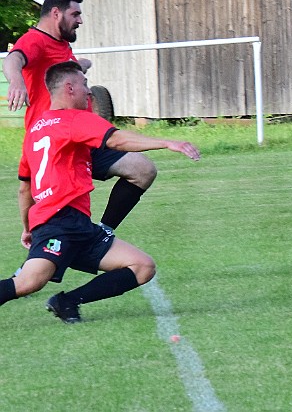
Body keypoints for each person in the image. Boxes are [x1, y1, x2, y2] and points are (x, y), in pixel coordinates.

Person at [0, 61, 200, 322]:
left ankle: (67, 301)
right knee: (29, 282)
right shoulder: (73, 119)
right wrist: (167, 142)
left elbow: (25, 188)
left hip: (76, 225)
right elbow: (116, 139)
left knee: (143, 267)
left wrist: (28, 227)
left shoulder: (36, 130)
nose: (89, 91)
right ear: (69, 88)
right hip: (58, 223)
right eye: (84, 84)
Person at [3, 0, 157, 233]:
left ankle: (103, 233)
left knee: (142, 169)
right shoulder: (35, 40)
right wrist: (16, 81)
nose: (80, 20)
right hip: (54, 146)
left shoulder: (60, 43)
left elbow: (62, 72)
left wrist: (80, 64)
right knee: (52, 214)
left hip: (82, 139)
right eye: (75, 14)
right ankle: (36, 259)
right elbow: (14, 59)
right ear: (56, 13)